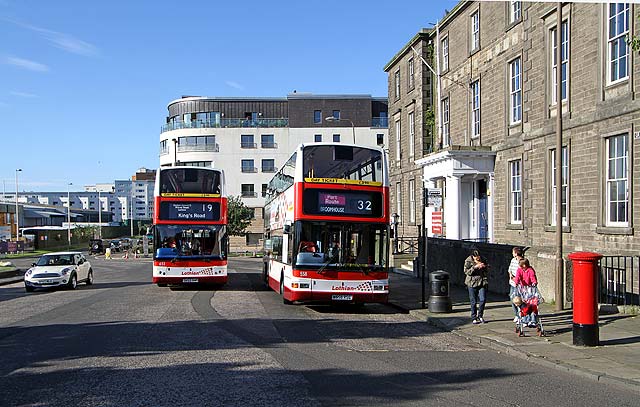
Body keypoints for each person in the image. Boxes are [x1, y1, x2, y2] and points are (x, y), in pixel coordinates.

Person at [464, 249, 489, 324]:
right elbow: (466, 272)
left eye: (478, 257)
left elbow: (488, 269)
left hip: (482, 282)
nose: (477, 259)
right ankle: (474, 317)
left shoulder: (484, 259)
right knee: (473, 301)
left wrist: (484, 267)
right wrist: (474, 267)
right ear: (472, 257)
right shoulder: (468, 261)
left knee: (483, 299)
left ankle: (480, 315)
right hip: (472, 282)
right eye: (476, 258)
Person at [514, 258, 538, 327]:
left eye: (521, 265)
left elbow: (532, 277)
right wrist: (516, 282)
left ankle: (532, 320)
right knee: (523, 306)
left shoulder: (530, 270)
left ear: (524, 265)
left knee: (532, 306)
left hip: (530, 287)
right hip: (522, 288)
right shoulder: (519, 270)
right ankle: (524, 320)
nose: (520, 267)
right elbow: (518, 276)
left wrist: (534, 282)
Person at [508, 247, 524, 322]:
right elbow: (510, 269)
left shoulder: (522, 262)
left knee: (520, 300)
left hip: (520, 284)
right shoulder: (513, 260)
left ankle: (522, 314)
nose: (512, 254)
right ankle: (517, 314)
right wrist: (510, 275)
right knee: (512, 299)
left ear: (516, 253)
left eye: (513, 252)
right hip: (513, 283)